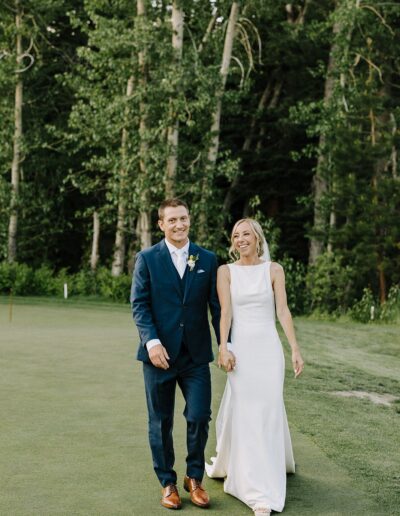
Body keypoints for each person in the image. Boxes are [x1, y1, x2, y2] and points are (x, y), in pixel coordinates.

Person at [206, 218, 304, 515]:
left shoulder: (274, 270)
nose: (240, 239)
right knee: (247, 412)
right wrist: (223, 347)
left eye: (246, 234)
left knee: (269, 409)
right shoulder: (226, 272)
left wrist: (295, 349)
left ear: (257, 237)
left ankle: (272, 467)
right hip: (242, 351)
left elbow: (283, 311)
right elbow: (225, 313)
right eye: (236, 235)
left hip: (268, 350)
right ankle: (254, 488)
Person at [131, 198, 221, 510]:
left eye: (183, 219)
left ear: (189, 220)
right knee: (160, 422)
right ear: (161, 224)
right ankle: (168, 483)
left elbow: (217, 308)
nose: (179, 225)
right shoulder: (147, 258)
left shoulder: (207, 259)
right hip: (159, 356)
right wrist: (151, 343)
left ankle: (194, 478)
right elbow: (139, 304)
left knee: (198, 415)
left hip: (195, 356)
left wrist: (226, 344)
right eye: (172, 220)